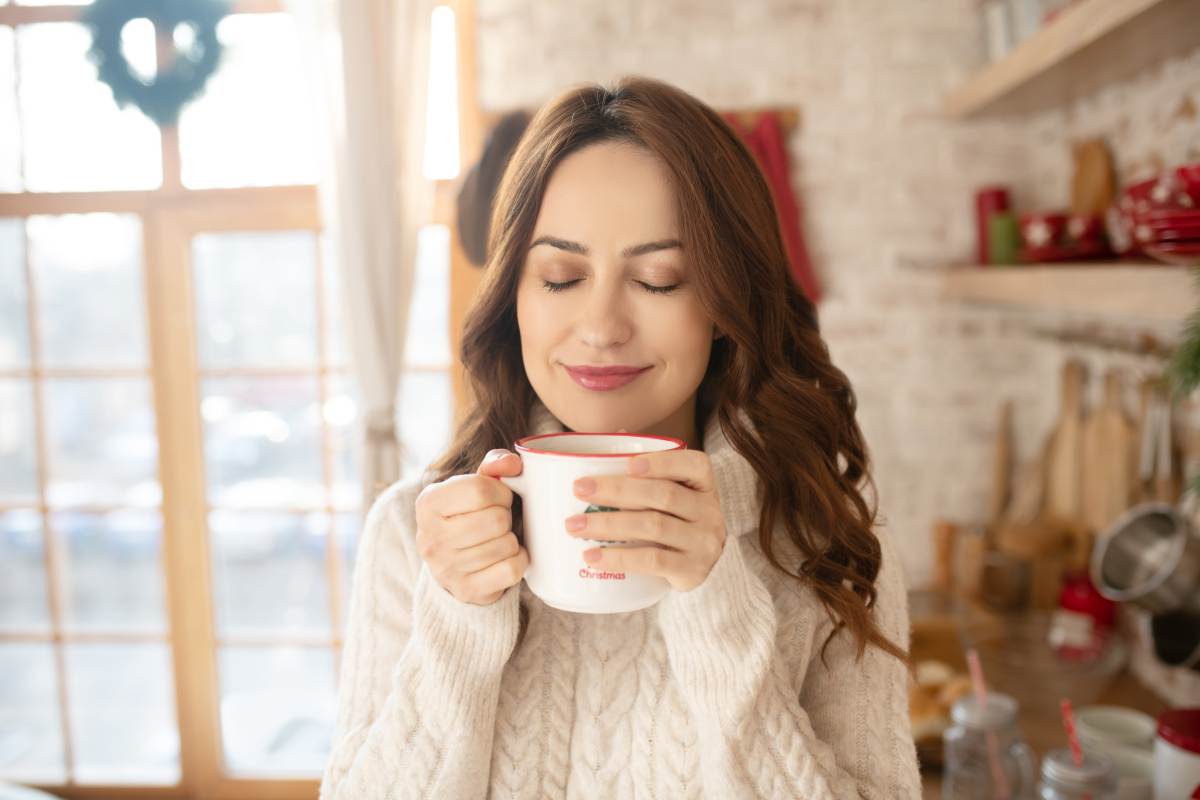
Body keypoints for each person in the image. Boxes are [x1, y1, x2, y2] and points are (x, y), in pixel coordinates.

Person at [320, 75, 921, 799]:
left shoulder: (829, 546)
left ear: (727, 303)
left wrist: (717, 615)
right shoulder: (412, 539)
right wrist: (457, 624)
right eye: (561, 275)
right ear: (514, 297)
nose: (602, 327)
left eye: (660, 279)